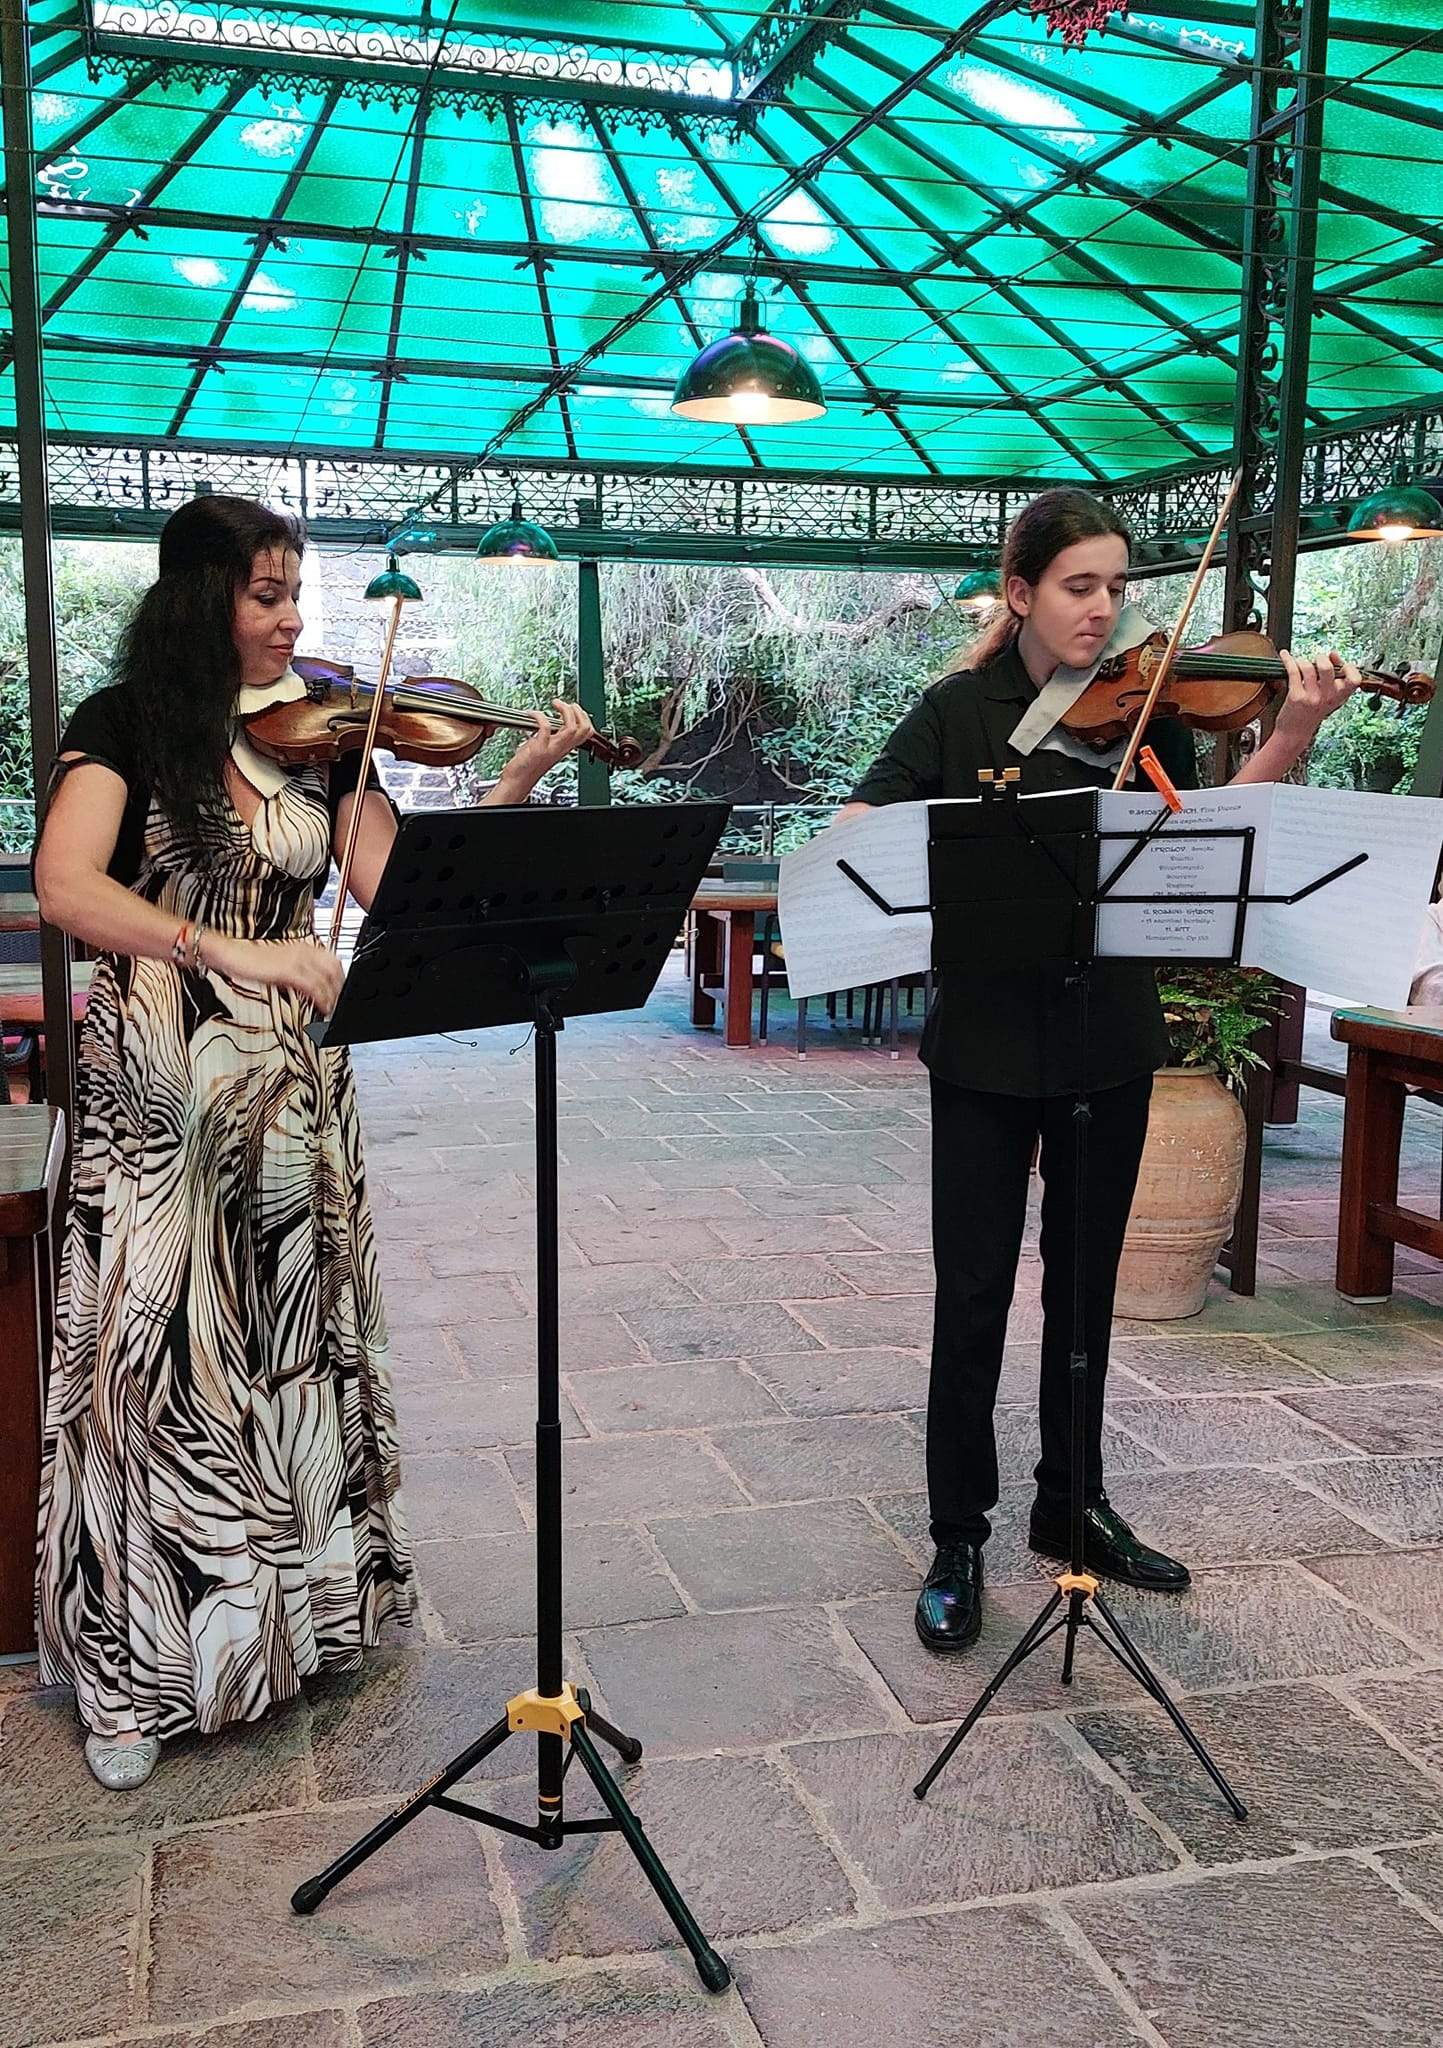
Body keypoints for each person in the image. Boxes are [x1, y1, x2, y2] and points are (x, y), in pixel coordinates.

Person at [32, 495, 595, 1786]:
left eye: (297, 594)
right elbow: (67, 885)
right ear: (203, 600)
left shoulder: (325, 740)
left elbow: (401, 895)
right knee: (160, 1373)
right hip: (163, 1092)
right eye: (267, 593)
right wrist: (229, 948)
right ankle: (135, 1682)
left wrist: (513, 783)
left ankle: (289, 1629)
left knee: (287, 1352)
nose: (293, 619)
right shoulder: (127, 724)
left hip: (290, 1093)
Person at [838, 489, 1360, 1651]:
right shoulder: (958, 711)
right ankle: (957, 1534)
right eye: (1080, 586)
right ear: (1020, 592)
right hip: (984, 1044)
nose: (1104, 609)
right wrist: (891, 836)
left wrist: (1291, 732)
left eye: (1117, 587)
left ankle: (1073, 1502)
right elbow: (857, 829)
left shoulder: (1147, 714)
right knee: (973, 1294)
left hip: (1107, 1041)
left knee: (1083, 1295)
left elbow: (1212, 834)